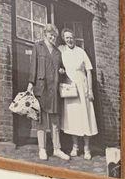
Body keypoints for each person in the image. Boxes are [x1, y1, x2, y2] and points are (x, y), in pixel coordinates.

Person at [27, 25, 68, 161]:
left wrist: (62, 71)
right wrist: (30, 83)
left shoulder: (57, 52)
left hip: (54, 89)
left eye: (55, 36)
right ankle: (42, 149)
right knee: (41, 120)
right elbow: (33, 66)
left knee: (55, 121)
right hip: (41, 87)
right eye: (51, 35)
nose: (53, 37)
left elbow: (61, 68)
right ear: (45, 34)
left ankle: (57, 149)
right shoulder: (38, 47)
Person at [58, 28, 99, 159]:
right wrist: (61, 71)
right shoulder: (62, 52)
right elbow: (59, 67)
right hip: (70, 88)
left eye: (71, 37)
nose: (69, 40)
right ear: (64, 39)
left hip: (82, 87)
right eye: (67, 38)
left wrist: (90, 90)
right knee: (73, 117)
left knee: (85, 116)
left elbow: (89, 71)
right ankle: (75, 147)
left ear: (74, 38)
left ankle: (87, 149)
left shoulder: (81, 52)